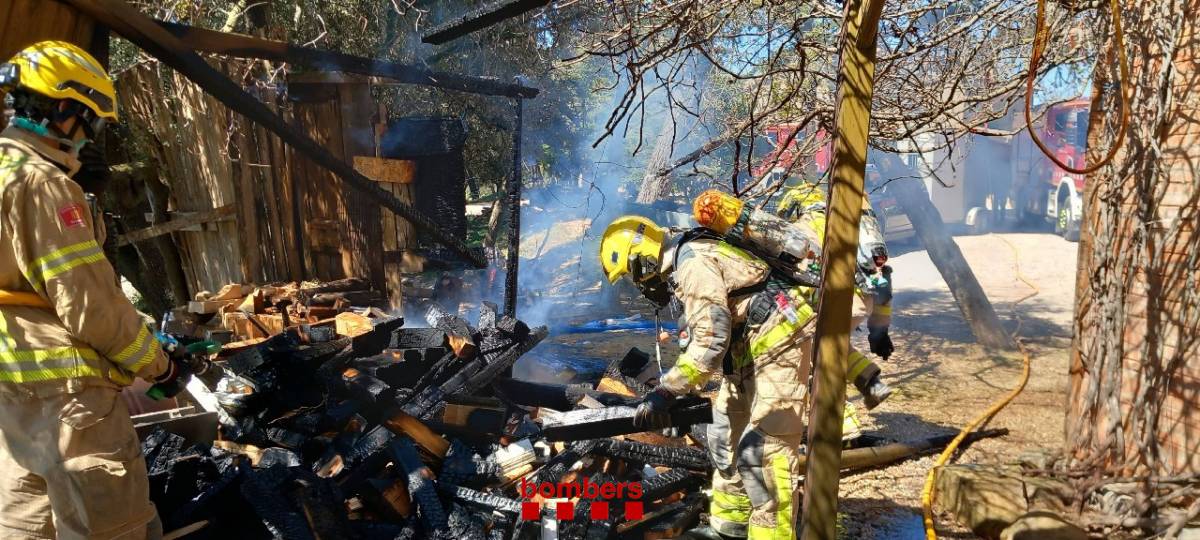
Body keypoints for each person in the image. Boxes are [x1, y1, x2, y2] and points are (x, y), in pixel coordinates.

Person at [0, 41, 183, 539]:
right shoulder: (41, 183)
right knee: (112, 528)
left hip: (14, 393)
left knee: (25, 526)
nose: (91, 137)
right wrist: (160, 365)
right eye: (92, 122)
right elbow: (89, 308)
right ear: (64, 110)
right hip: (72, 405)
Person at [602, 215, 815, 539]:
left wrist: (667, 391)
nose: (641, 286)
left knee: (764, 455)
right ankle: (730, 529)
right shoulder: (686, 257)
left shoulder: (693, 265)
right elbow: (706, 336)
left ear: (640, 259)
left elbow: (710, 340)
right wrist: (684, 391)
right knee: (723, 438)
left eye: (634, 277)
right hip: (747, 350)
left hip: (780, 340)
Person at [777, 183, 894, 408]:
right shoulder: (850, 222)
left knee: (812, 359)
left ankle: (841, 426)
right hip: (862, 303)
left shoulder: (804, 230)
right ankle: (872, 384)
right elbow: (883, 282)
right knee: (829, 345)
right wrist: (880, 331)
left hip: (836, 301)